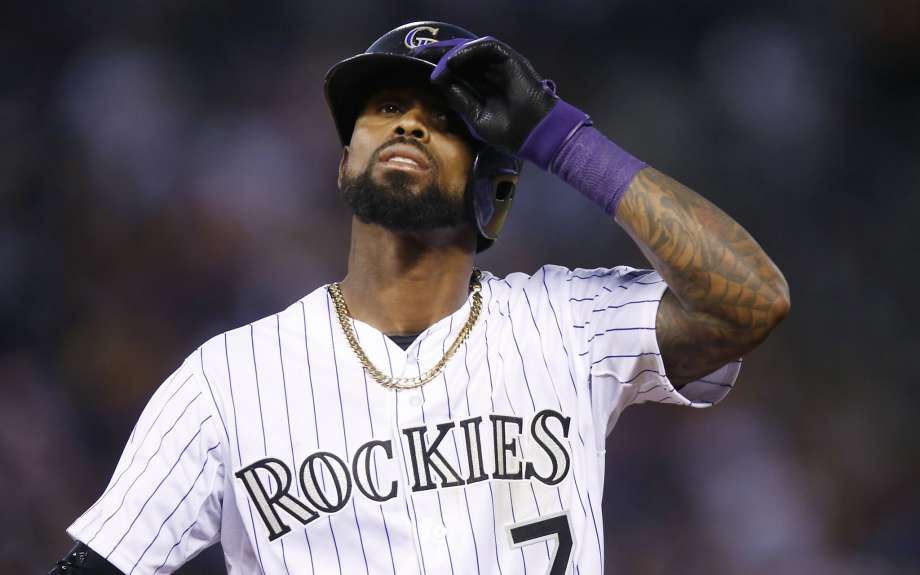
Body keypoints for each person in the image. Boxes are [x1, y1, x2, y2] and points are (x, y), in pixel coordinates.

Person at [52, 21, 789, 575]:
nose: (409, 122)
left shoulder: (565, 323)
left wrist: (561, 139)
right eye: (387, 108)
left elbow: (750, 301)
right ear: (345, 165)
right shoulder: (225, 381)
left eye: (446, 121)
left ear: (495, 190)